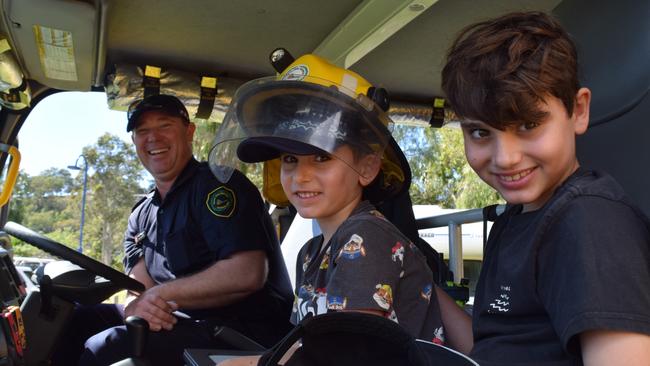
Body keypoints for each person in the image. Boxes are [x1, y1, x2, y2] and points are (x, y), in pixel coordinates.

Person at [209, 53, 473, 364]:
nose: (300, 175)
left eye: (321, 157)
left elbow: (342, 353)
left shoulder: (367, 237)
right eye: (290, 159)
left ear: (367, 167)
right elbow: (305, 347)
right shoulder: (311, 252)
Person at [441, 11, 650, 365]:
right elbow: (493, 345)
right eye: (480, 132)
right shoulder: (514, 220)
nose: (505, 158)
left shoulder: (589, 220)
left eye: (528, 124)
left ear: (579, 111)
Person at [59, 94, 294, 366]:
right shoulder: (141, 213)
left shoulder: (218, 186)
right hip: (179, 319)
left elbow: (247, 272)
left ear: (189, 131)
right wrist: (138, 306)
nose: (153, 138)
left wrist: (159, 295)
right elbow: (139, 287)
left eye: (164, 126)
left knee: (106, 347)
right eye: (142, 131)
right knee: (72, 320)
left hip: (240, 331)